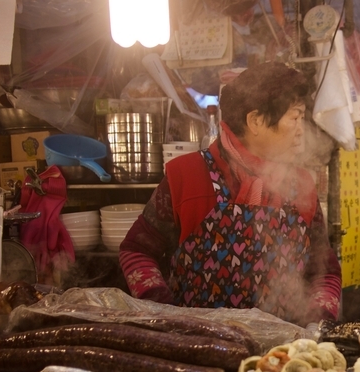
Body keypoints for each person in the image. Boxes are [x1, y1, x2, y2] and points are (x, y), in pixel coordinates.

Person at [119, 62, 341, 327]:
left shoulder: (301, 186)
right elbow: (136, 251)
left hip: (284, 356)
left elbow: (325, 273)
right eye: (295, 117)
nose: (301, 129)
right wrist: (164, 312)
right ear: (255, 121)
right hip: (198, 351)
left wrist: (318, 324)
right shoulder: (186, 177)